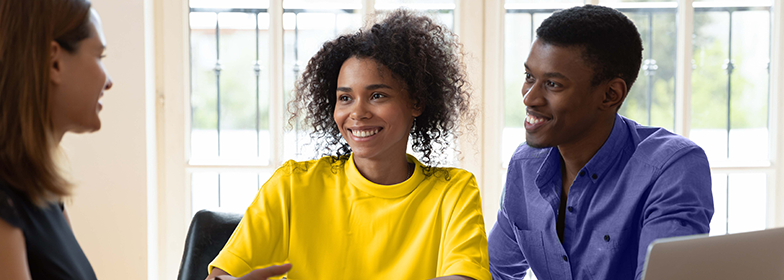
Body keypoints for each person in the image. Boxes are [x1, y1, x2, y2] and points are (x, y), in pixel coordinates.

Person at [205, 9, 489, 280]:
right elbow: (221, 274)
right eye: (345, 98)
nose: (357, 112)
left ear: (416, 102)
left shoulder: (454, 192)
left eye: (377, 95)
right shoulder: (292, 187)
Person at [488, 5, 714, 280]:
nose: (529, 98)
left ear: (610, 94)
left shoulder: (672, 167)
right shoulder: (525, 164)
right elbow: (493, 272)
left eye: (553, 85)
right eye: (529, 78)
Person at [0, 0, 113, 279]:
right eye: (99, 56)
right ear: (54, 62)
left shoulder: (43, 189)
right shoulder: (6, 200)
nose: (108, 81)